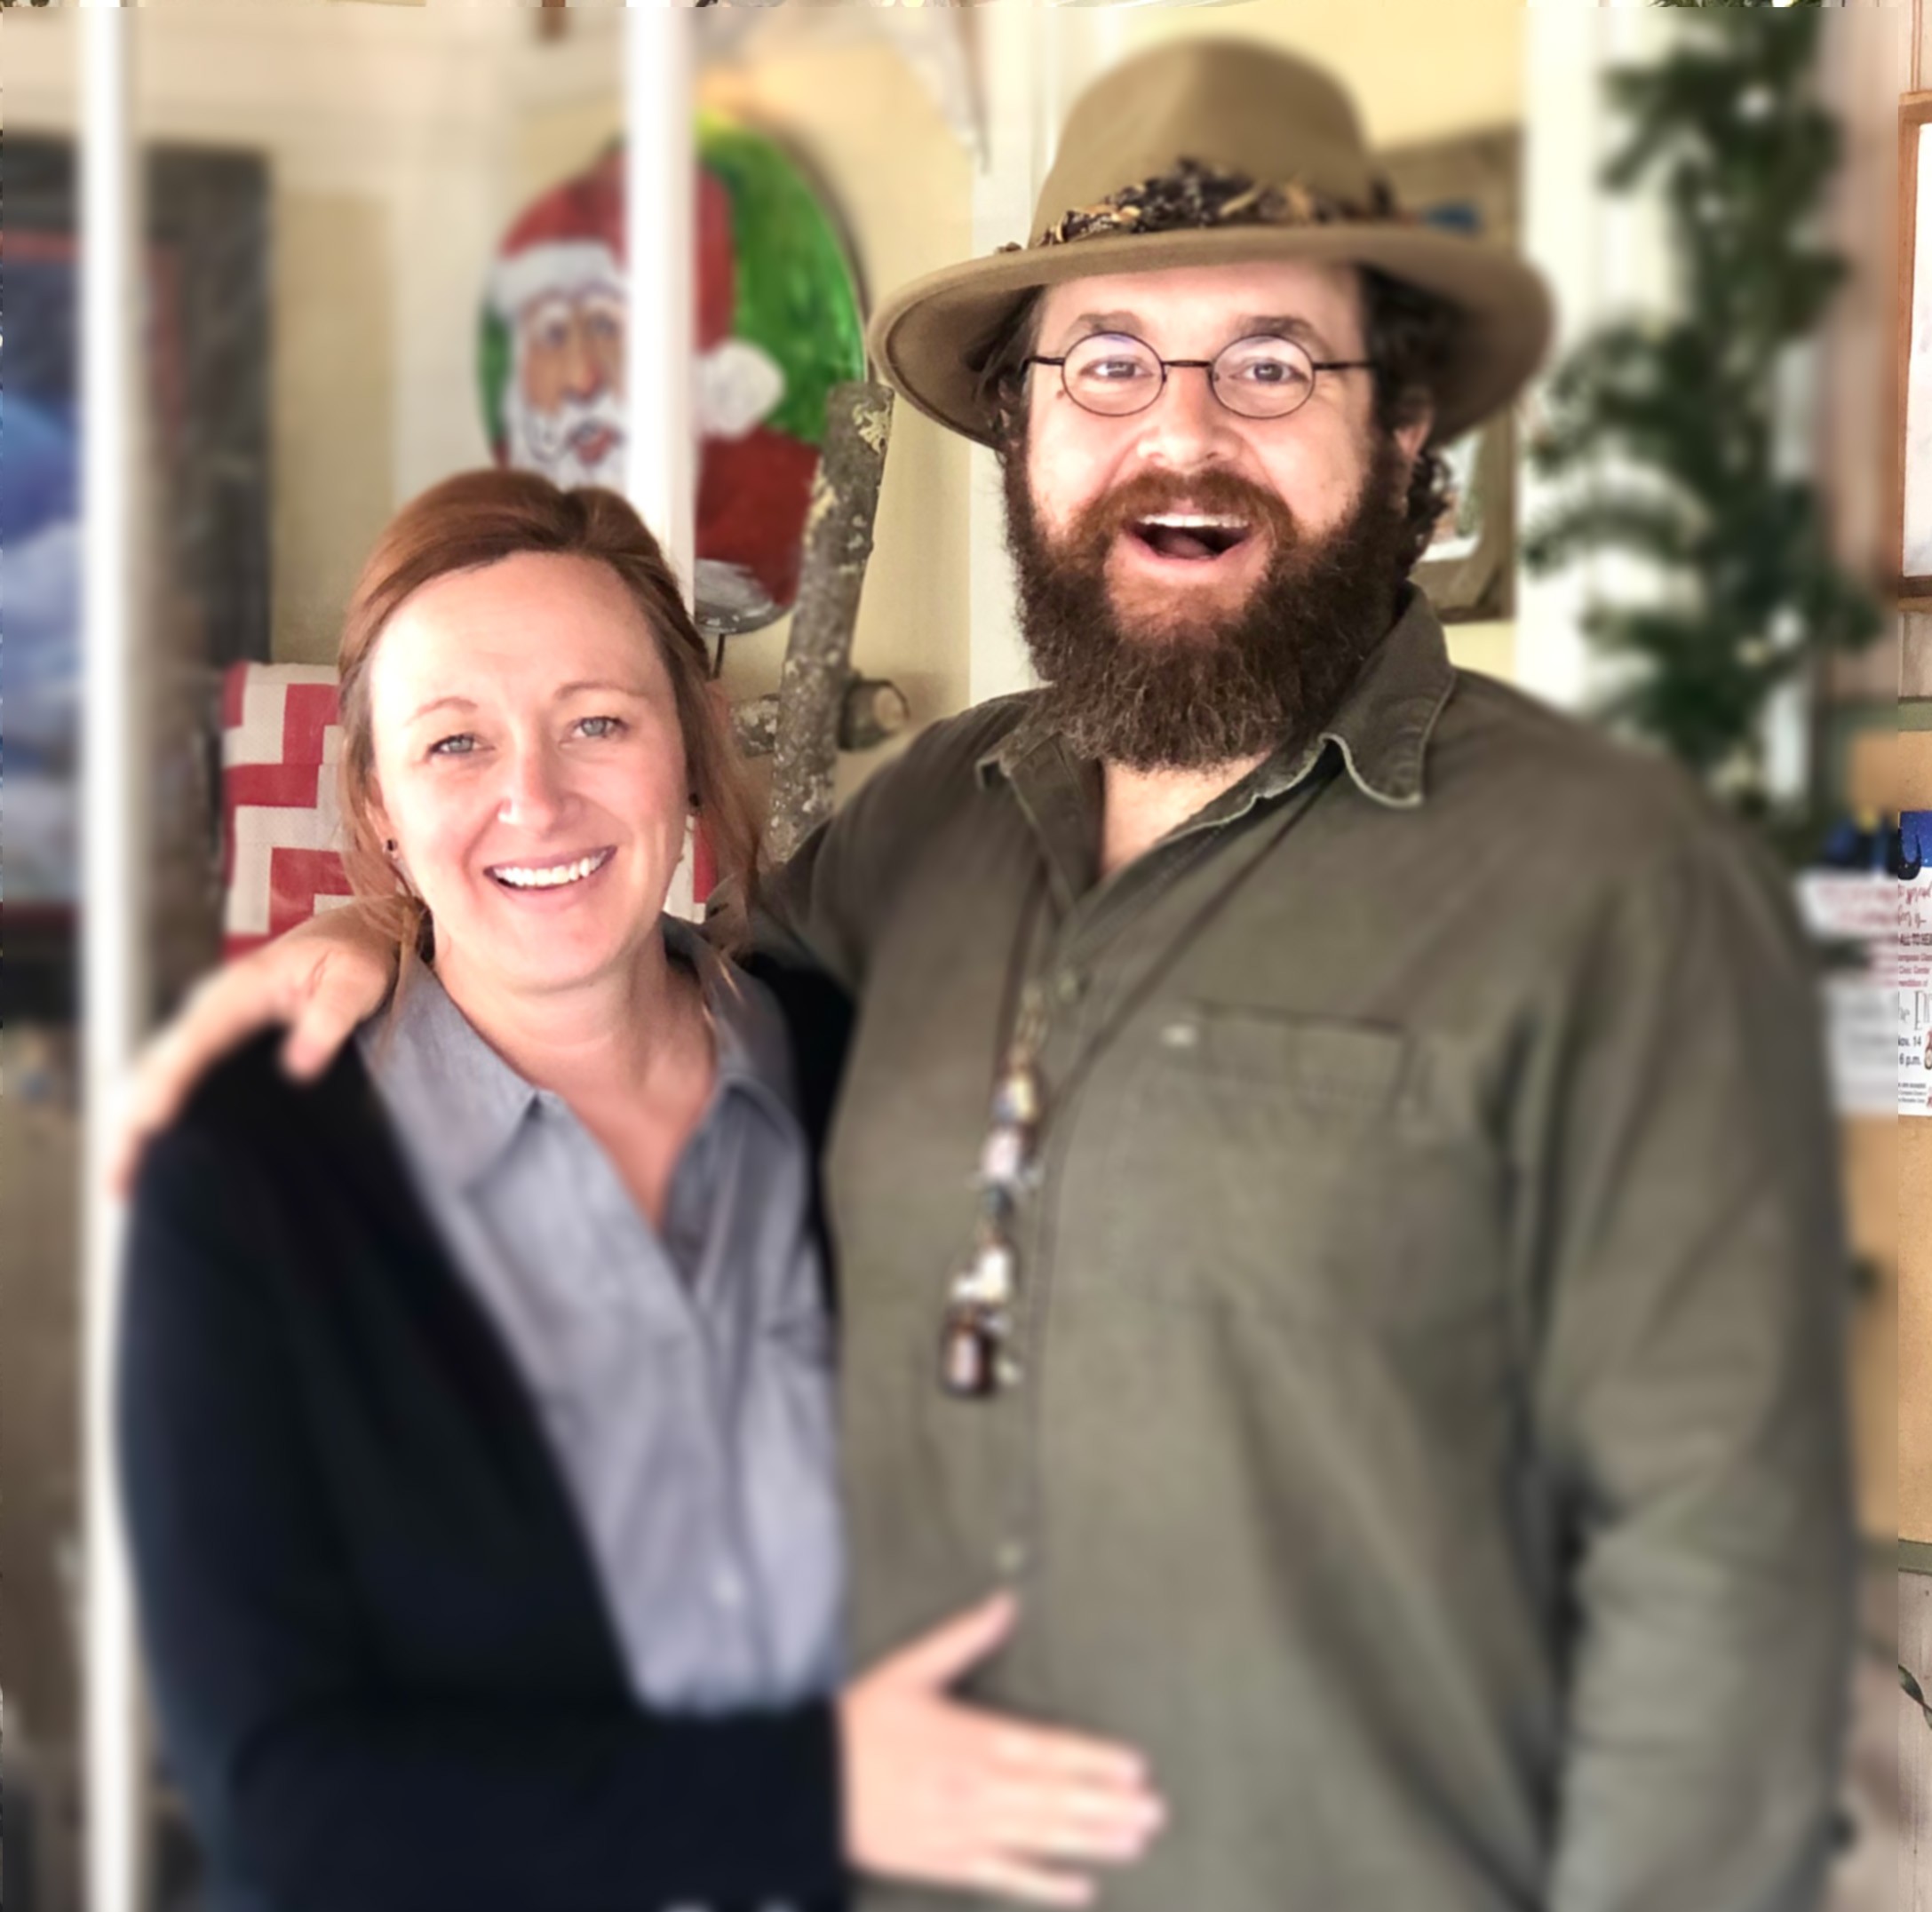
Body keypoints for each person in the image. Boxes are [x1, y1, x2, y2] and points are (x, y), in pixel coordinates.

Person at [122, 42, 1855, 1912]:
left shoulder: (1612, 886)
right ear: (1023, 428)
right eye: (1102, 365)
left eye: (1270, 365)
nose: (1175, 434)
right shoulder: (921, 839)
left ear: (1409, 428)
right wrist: (373, 931)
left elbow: (1719, 1596)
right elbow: (591, 950)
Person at [119, 471, 1165, 1912]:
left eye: (597, 722)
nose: (532, 796)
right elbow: (282, 1809)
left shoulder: (850, 1060)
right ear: (379, 800)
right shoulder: (251, 1179)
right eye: (454, 743)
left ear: (691, 750)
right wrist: (814, 1794)